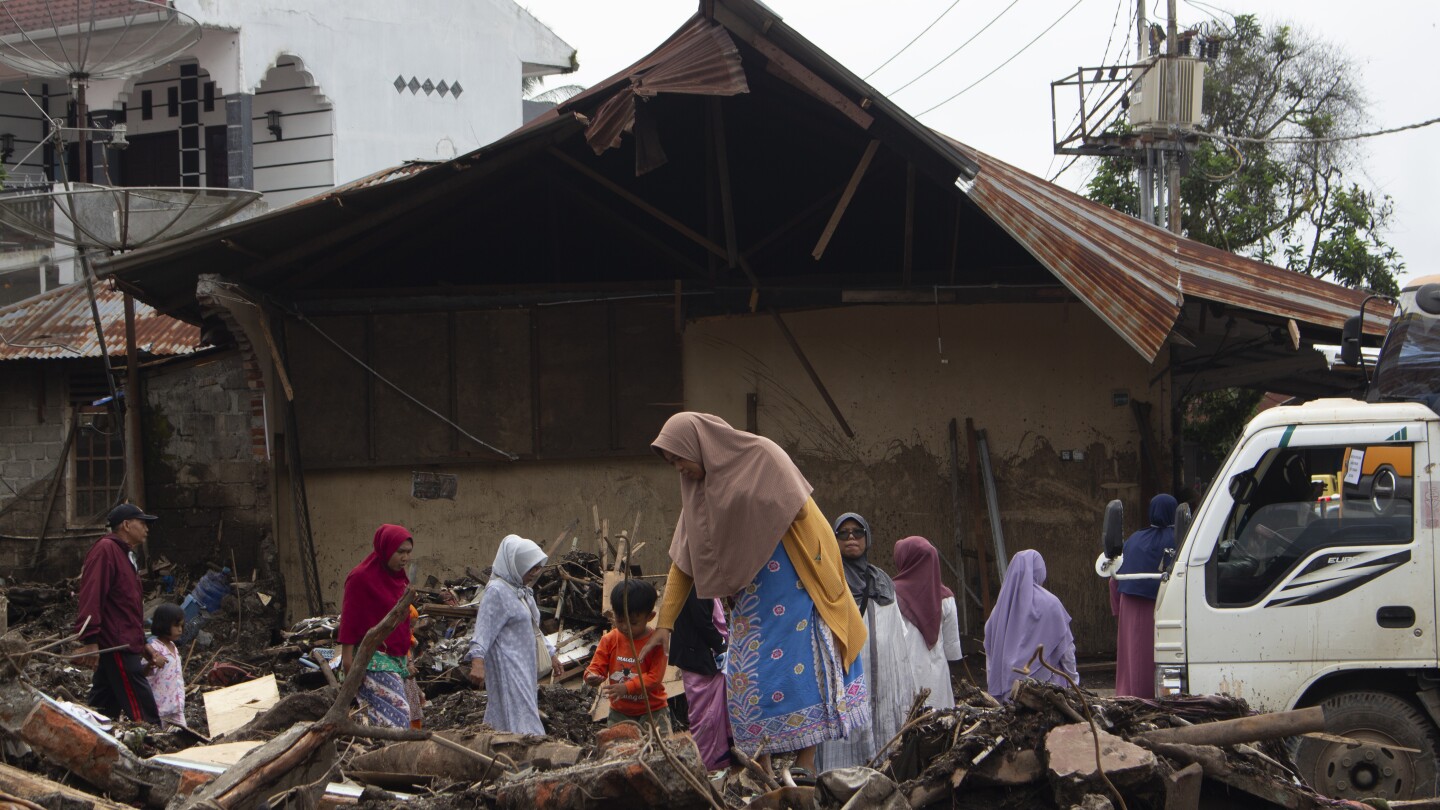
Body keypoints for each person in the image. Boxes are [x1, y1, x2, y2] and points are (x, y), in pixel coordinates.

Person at [643, 412, 869, 784]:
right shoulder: (698, 494)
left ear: (697, 445)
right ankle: (762, 773)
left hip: (797, 585)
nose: (679, 468)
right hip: (752, 604)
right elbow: (683, 561)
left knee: (802, 671)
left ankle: (804, 768)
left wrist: (738, 508)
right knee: (748, 682)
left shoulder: (763, 456)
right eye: (672, 464)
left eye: (679, 458)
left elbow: (796, 507)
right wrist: (665, 622)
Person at [817, 512, 918, 771]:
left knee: (879, 721)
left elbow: (897, 634)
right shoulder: (827, 579)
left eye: (857, 532)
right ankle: (841, 779)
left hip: (882, 671)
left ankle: (882, 772)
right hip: (844, 669)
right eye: (843, 533)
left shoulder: (882, 580)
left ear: (867, 538)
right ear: (834, 539)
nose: (851, 537)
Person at [467, 534, 563, 735]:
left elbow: (533, 627)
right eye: (531, 568)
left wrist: (551, 654)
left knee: (516, 707)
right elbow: (484, 629)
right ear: (515, 564)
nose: (535, 573)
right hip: (507, 663)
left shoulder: (521, 591)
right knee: (518, 708)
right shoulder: (497, 591)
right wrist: (478, 661)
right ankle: (530, 746)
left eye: (538, 568)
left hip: (524, 664)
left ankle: (502, 748)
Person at [75, 503, 162, 723]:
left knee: (102, 706)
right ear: (126, 524)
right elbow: (92, 594)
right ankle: (156, 741)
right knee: (141, 705)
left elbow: (126, 607)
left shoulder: (125, 555)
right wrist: (90, 640)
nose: (147, 529)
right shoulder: (106, 550)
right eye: (142, 523)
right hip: (116, 642)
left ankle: (92, 741)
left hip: (124, 639)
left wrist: (142, 643)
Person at [338, 524, 421, 728]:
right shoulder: (361, 578)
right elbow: (349, 624)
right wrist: (350, 668)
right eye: (400, 552)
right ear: (385, 549)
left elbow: (401, 625)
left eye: (408, 553)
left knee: (414, 717)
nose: (405, 558)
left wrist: (408, 659)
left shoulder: (400, 580)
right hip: (372, 660)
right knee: (398, 719)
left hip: (399, 659)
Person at [983, 549, 1078, 701]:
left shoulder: (1000, 610)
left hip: (1008, 691)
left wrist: (994, 684)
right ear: (1040, 570)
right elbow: (1066, 652)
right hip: (1048, 691)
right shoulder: (1051, 604)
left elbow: (990, 651)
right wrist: (1074, 683)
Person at [1111, 494, 1177, 699]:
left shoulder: (1134, 539)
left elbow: (1114, 576)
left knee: (1134, 655)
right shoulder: (1180, 538)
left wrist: (1117, 609)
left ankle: (1130, 695)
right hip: (1166, 605)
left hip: (1131, 605)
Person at [585, 579, 671, 734]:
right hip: (619, 713)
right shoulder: (609, 640)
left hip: (653, 711)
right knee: (619, 751)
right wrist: (592, 676)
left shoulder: (655, 643)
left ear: (650, 617)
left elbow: (655, 678)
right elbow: (597, 666)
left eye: (633, 623)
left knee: (659, 751)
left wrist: (627, 687)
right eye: (620, 620)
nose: (625, 627)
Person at [892, 536, 964, 710]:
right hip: (936, 678)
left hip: (901, 675)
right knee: (939, 726)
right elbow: (952, 651)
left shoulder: (890, 595)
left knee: (907, 725)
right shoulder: (946, 598)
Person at [669, 585, 732, 771]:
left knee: (711, 712)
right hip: (697, 657)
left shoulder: (700, 581)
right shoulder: (695, 583)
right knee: (705, 714)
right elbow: (702, 622)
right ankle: (705, 763)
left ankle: (715, 761)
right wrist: (722, 646)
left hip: (700, 656)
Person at [146, 603, 187, 728]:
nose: (180, 629)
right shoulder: (154, 648)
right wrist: (151, 663)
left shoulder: (173, 647)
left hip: (177, 706)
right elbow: (143, 674)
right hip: (160, 708)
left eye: (181, 626)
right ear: (163, 625)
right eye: (176, 625)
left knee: (183, 734)